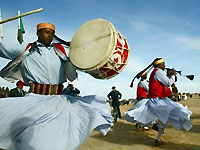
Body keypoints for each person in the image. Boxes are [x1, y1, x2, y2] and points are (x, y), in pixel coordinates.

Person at [0, 22, 113, 150]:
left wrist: (72, 61)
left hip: (58, 102)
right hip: (34, 100)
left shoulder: (60, 52)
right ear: (37, 33)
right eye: (47, 32)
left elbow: (70, 76)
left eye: (52, 33)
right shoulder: (26, 49)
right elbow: (1, 48)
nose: (50, 35)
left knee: (55, 139)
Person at [125, 58, 192, 146]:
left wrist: (170, 76)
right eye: (163, 64)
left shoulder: (157, 72)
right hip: (157, 100)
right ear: (158, 65)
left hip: (159, 99)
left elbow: (165, 85)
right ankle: (152, 130)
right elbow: (168, 83)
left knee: (163, 119)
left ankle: (158, 138)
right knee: (170, 114)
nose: (164, 65)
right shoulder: (158, 71)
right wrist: (173, 75)